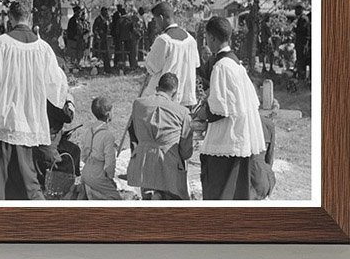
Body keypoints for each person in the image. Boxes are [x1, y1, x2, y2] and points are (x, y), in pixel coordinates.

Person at [0, 0, 69, 200]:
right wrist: (61, 102)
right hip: (31, 115)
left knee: (1, 174)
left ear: (11, 18)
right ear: (29, 17)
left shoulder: (1, 43)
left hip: (5, 115)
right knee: (28, 175)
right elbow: (57, 82)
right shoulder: (43, 48)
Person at [199, 16, 267, 200]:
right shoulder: (236, 63)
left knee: (220, 190)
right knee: (237, 189)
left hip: (227, 137)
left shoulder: (221, 66)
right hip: (240, 134)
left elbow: (218, 110)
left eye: (207, 38)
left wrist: (201, 111)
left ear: (212, 38)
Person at [127, 72, 194, 200]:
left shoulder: (138, 104)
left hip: (143, 165)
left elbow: (134, 133)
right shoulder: (183, 112)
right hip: (169, 168)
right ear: (174, 93)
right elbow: (186, 152)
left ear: (157, 88)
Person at [141, 1, 200, 106]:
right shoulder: (191, 40)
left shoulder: (164, 40)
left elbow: (151, 68)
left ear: (161, 18)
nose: (156, 24)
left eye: (156, 20)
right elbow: (196, 65)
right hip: (186, 98)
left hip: (165, 100)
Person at [76, 96, 122, 200]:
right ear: (108, 114)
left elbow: (84, 155)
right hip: (98, 174)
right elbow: (110, 161)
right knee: (116, 199)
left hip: (86, 171)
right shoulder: (107, 135)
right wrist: (110, 177)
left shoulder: (88, 131)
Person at [293, 5, 311, 81]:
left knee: (301, 59)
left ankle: (302, 77)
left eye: (296, 10)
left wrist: (295, 29)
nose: (295, 12)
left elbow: (302, 30)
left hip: (302, 42)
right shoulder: (302, 18)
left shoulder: (303, 19)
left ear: (300, 10)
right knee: (300, 59)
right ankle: (301, 76)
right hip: (301, 42)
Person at [92, 6, 112, 74]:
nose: (106, 13)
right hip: (99, 40)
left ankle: (107, 69)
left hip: (104, 39)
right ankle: (97, 70)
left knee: (106, 54)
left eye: (107, 12)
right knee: (98, 55)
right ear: (102, 12)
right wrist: (97, 36)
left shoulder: (106, 20)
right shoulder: (98, 20)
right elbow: (94, 29)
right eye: (105, 12)